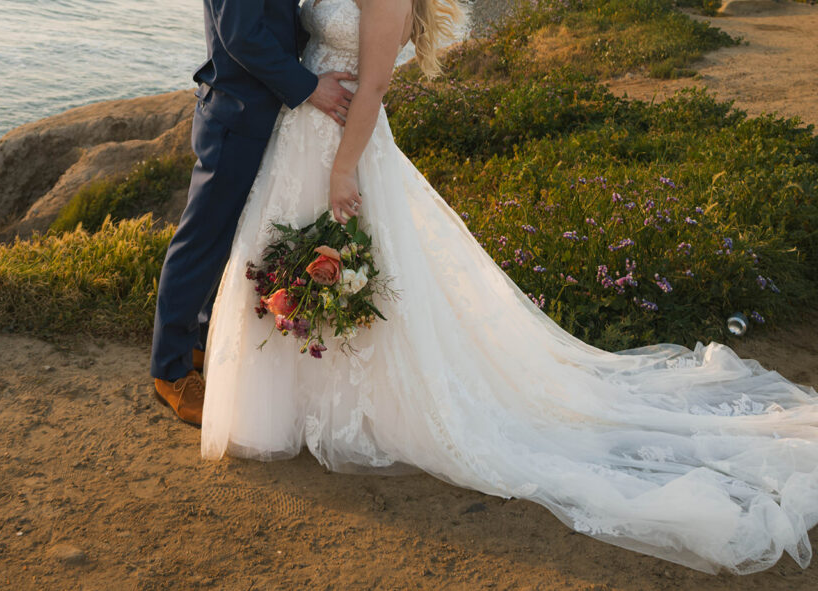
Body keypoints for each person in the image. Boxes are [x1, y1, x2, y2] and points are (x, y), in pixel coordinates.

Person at [198, 0, 818, 576]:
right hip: (299, 136)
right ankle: (299, 406)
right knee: (291, 264)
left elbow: (377, 84)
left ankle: (355, 413)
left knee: (355, 274)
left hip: (343, 146)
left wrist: (342, 169)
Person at [150, 0, 356, 425]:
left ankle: (199, 344)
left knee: (233, 239)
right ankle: (170, 371)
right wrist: (309, 86)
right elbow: (241, 34)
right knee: (202, 242)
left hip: (264, 112)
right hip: (236, 115)